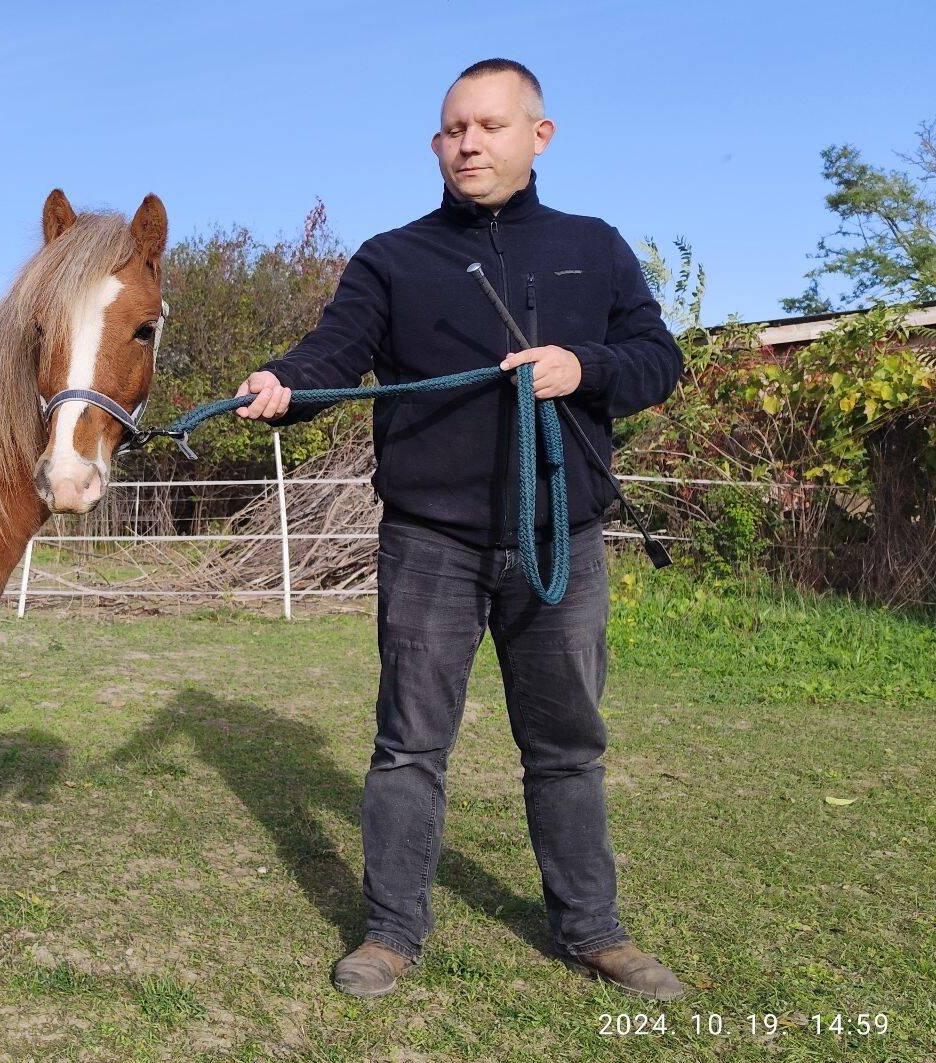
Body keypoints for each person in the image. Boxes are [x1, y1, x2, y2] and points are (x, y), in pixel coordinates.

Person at [235, 58, 685, 1001]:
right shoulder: (393, 257)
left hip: (559, 538)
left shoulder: (593, 247)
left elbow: (657, 359)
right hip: (430, 542)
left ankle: (593, 929)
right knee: (410, 745)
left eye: (486, 125)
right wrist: (283, 384)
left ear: (538, 135)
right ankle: (392, 933)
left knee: (567, 746)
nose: (467, 144)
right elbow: (333, 353)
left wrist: (583, 366)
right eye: (452, 129)